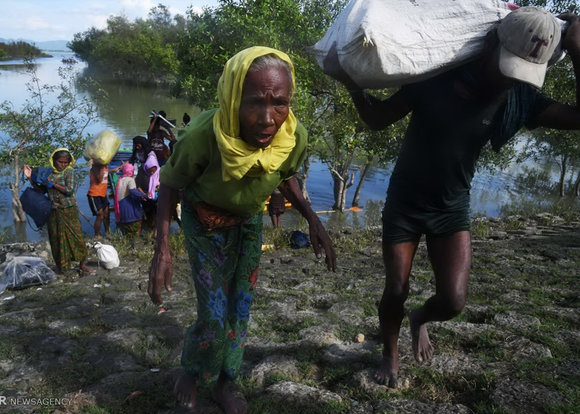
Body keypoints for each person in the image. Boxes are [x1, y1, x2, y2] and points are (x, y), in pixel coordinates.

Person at [323, 7, 580, 387]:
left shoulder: (520, 100)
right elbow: (377, 120)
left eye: (522, 72)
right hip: (405, 202)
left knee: (453, 301)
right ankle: (390, 352)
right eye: (507, 67)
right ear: (491, 43)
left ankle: (419, 319)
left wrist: (575, 49)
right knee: (396, 287)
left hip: (451, 206)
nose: (510, 79)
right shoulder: (437, 76)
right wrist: (349, 80)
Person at [148, 46, 337, 414]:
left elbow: (285, 176)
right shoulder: (204, 135)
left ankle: (225, 381)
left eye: (279, 103)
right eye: (254, 102)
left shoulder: (292, 136)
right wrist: (162, 249)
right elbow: (169, 183)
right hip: (204, 223)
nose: (268, 119)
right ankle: (191, 370)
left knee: (241, 307)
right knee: (214, 313)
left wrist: (314, 220)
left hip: (249, 223)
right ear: (233, 96)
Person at [24, 149, 95, 275]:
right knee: (56, 238)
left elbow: (69, 190)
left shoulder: (69, 173)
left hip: (68, 210)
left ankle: (83, 264)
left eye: (65, 162)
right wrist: (30, 178)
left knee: (76, 236)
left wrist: (53, 185)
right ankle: (61, 266)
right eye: (60, 162)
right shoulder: (49, 173)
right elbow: (41, 191)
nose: (62, 165)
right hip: (54, 210)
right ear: (54, 161)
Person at [87, 159, 121, 238]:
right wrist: (102, 166)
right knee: (100, 214)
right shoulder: (95, 168)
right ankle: (97, 235)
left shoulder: (103, 167)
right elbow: (99, 179)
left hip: (102, 194)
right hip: (94, 194)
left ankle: (107, 232)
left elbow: (105, 171)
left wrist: (113, 170)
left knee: (107, 213)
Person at [114, 162, 148, 236]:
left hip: (121, 206)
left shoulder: (121, 179)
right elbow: (133, 191)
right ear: (131, 171)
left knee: (126, 230)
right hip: (128, 208)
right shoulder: (130, 180)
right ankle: (137, 238)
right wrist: (144, 195)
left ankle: (126, 238)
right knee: (137, 221)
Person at [136, 152, 161, 236]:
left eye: (153, 171)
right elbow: (138, 186)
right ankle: (149, 229)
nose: (151, 173)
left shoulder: (160, 173)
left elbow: (165, 185)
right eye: (149, 171)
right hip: (146, 199)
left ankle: (156, 231)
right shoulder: (142, 173)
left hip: (158, 198)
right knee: (149, 215)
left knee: (158, 214)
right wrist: (143, 194)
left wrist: (159, 187)